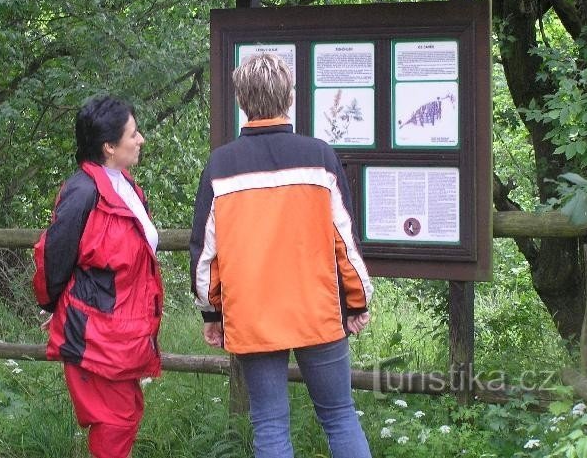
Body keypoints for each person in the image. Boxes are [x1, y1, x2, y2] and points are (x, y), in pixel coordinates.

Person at [190, 53, 374, 458]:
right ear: (288, 97)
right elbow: (344, 239)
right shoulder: (318, 156)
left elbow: (206, 257)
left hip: (254, 315)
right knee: (340, 416)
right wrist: (357, 301)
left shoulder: (221, 165)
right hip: (317, 310)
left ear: (242, 101)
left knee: (270, 427)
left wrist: (212, 313)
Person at [33, 95, 163, 458]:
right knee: (115, 423)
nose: (141, 140)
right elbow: (54, 258)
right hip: (97, 336)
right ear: (109, 146)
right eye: (133, 134)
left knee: (125, 417)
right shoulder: (83, 193)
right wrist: (53, 305)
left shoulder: (124, 185)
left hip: (124, 334)